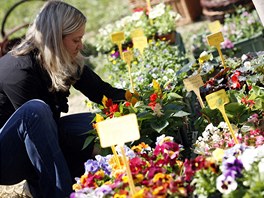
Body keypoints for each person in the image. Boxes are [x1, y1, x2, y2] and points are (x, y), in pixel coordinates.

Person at [0, 1, 126, 197]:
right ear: (56, 39)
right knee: (36, 111)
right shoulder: (19, 70)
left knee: (94, 124)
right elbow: (40, 139)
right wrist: (88, 151)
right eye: (76, 40)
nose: (81, 45)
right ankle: (57, 192)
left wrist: (139, 104)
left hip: (41, 136)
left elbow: (102, 92)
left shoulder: (61, 56)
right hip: (7, 158)